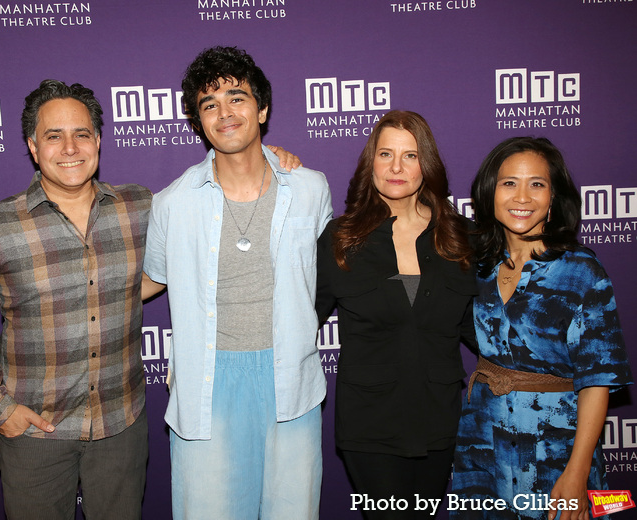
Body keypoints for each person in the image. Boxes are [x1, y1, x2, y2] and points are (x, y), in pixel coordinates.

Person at [0, 80, 151, 519]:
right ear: (33, 147)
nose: (70, 148)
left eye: (82, 134)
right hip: (35, 435)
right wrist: (0, 411)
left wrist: (269, 158)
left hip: (121, 426)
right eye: (54, 136)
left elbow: (212, 197)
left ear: (99, 140)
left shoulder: (141, 207)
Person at [142, 46, 333, 520]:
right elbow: (149, 280)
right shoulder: (172, 203)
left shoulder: (311, 188)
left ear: (262, 109)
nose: (225, 113)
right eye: (210, 105)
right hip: (208, 381)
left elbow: (331, 276)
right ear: (197, 121)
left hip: (291, 377)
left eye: (237, 98)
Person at [451, 137, 633, 520]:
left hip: (556, 448)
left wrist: (577, 473)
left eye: (537, 183)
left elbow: (597, 381)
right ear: (490, 192)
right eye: (508, 183)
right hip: (482, 442)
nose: (522, 196)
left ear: (554, 197)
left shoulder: (581, 271)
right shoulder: (477, 264)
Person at [316, 110, 477, 519]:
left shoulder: (461, 237)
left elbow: (483, 328)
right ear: (371, 161)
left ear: (428, 164)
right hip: (370, 426)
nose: (396, 167)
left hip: (440, 421)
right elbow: (299, 322)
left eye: (410, 155)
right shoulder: (341, 239)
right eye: (385, 154)